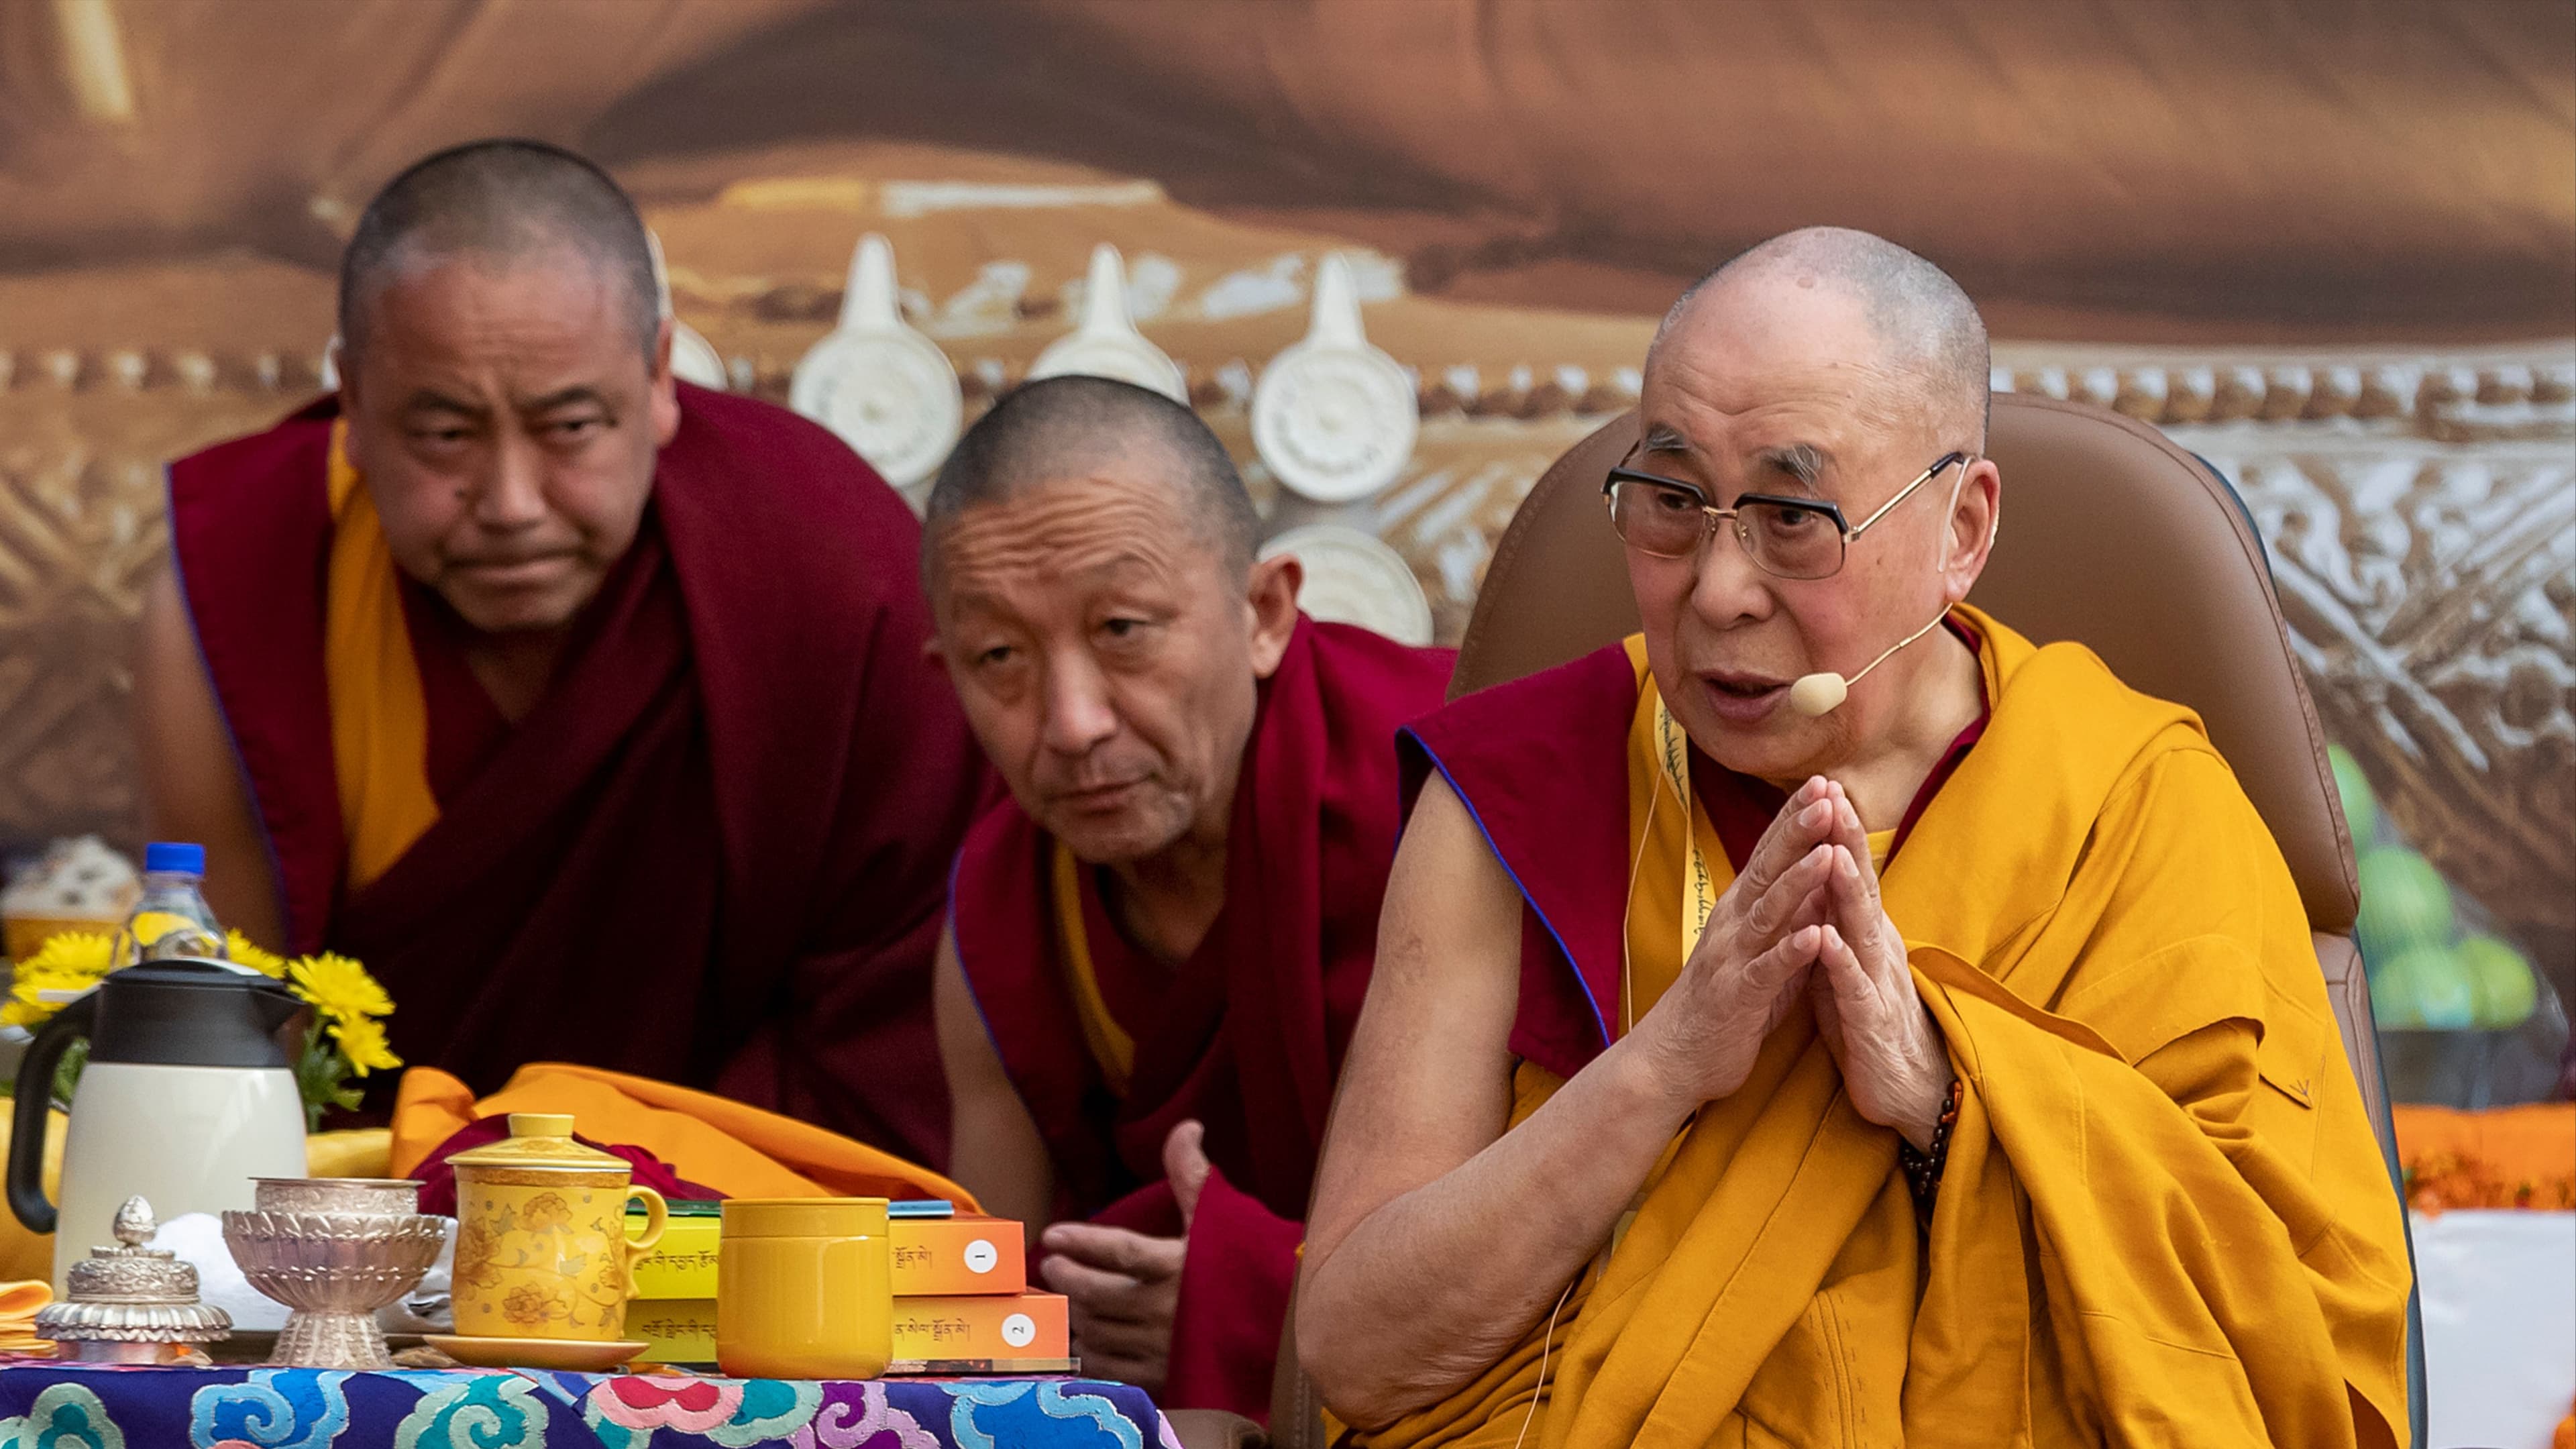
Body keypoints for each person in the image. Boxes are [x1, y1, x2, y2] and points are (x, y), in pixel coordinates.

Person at [1295, 229, 2413, 1446]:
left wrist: (1945, 1100)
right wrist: (1665, 1069)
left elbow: (2286, 1351)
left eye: (1792, 516)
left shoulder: (2136, 808)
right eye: (1672, 504)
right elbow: (1360, 1349)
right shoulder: (1523, 790)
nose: (1718, 590)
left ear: (1961, 531)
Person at [134, 139, 984, 1163]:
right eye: (446, 435)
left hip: (731, 1209)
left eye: (571, 425)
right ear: (353, 401)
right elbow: (229, 1057)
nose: (512, 504)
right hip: (366, 1221)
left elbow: (894, 1033)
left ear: (659, 378)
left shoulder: (827, 562)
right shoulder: (248, 582)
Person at [925, 376, 1453, 1413]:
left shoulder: (1446, 793)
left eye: (1123, 629)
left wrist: (1262, 1311)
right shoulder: (1001, 917)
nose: (1072, 723)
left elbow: (1585, 1239)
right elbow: (981, 1332)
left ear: (1264, 614)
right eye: (1000, 657)